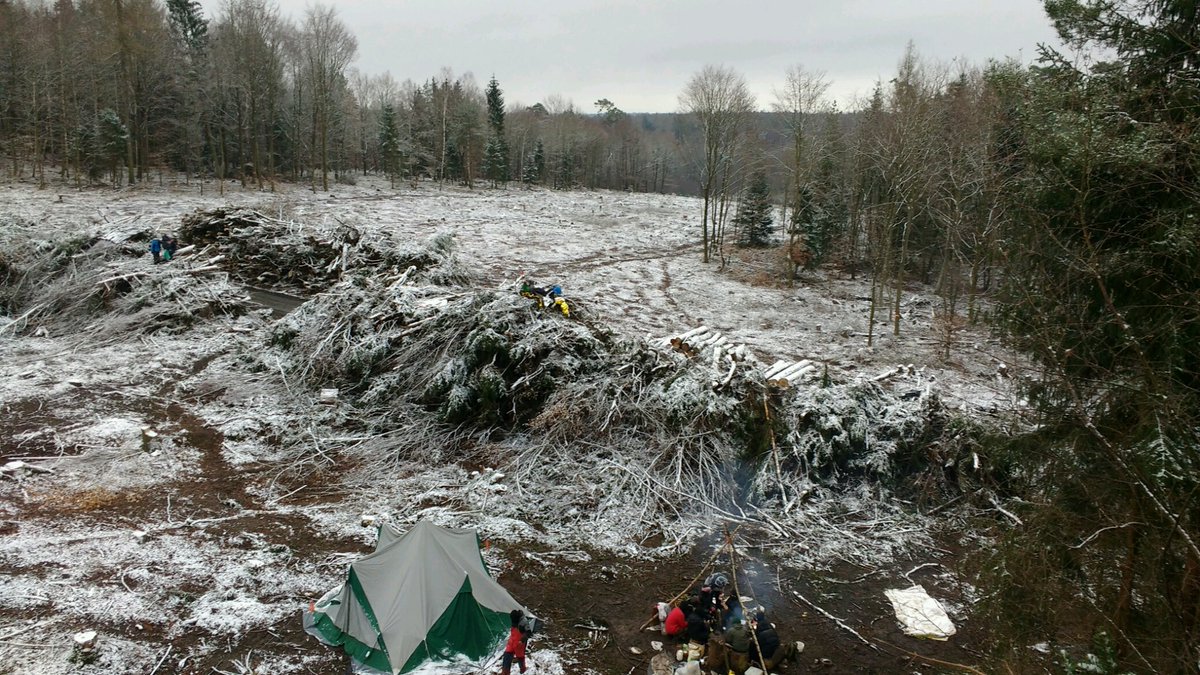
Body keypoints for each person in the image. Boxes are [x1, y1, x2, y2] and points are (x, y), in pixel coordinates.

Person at [500, 609, 528, 675]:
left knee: (520, 657)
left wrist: (522, 640)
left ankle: (523, 669)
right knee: (507, 654)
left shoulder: (524, 623)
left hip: (519, 643)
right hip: (512, 641)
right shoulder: (514, 619)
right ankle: (505, 672)